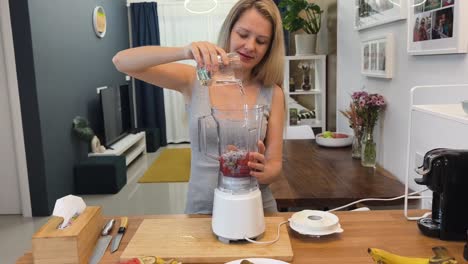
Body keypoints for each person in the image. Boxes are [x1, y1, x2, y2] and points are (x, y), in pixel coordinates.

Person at [112, 0, 285, 214]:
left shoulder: (273, 93)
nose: (250, 46)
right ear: (230, 31)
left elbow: (274, 164)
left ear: (270, 48)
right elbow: (121, 61)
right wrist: (184, 52)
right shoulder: (196, 79)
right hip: (204, 209)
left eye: (261, 41)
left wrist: (262, 171)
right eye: (243, 34)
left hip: (257, 208)